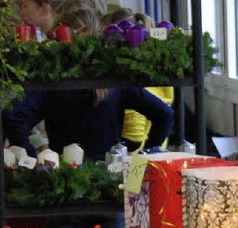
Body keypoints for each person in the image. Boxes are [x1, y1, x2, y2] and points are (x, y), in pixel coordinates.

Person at [2, 0, 174, 161]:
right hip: (110, 177)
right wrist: (149, 154)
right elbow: (164, 114)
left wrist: (32, 159)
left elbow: (13, 114)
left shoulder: (54, 82)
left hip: (63, 179)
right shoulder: (112, 81)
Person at [100, 7, 175, 153]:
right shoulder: (155, 72)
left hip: (132, 160)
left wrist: (139, 160)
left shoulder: (128, 83)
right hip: (157, 152)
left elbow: (134, 138)